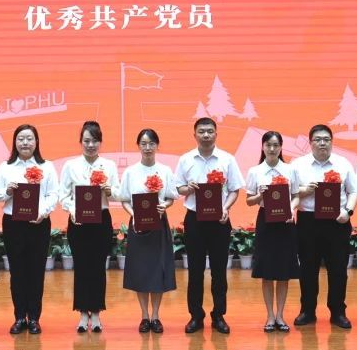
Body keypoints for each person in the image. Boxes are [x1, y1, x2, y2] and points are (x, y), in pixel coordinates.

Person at [173, 117, 244, 334]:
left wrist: (226, 207)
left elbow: (234, 189)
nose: (206, 135)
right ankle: (196, 316)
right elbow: (178, 188)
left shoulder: (227, 159)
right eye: (202, 131)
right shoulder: (186, 159)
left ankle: (218, 315)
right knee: (195, 271)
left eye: (210, 131)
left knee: (219, 271)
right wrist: (188, 189)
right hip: (194, 219)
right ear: (194, 134)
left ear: (216, 134)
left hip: (219, 220)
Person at [289, 124, 357, 329]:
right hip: (308, 221)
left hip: (337, 222)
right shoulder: (298, 165)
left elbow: (354, 190)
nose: (322, 143)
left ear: (331, 142)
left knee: (338, 269)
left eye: (326, 139)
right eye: (318, 139)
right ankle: (307, 310)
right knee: (308, 268)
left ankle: (338, 312)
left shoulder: (343, 163)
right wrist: (305, 190)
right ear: (310, 142)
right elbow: (290, 192)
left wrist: (348, 211)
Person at [0, 124, 59, 334]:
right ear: (15, 142)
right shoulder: (6, 167)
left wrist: (43, 212)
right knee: (17, 271)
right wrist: (7, 191)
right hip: (13, 223)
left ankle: (34, 318)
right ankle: (20, 317)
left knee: (36, 271)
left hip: (38, 223)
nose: (25, 143)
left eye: (29, 138)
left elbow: (53, 194)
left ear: (36, 142)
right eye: (21, 139)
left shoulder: (47, 166)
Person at [59, 121, 119, 332]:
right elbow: (63, 195)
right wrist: (72, 210)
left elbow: (118, 193)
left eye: (94, 141)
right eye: (86, 141)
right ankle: (83, 313)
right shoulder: (71, 166)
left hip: (101, 220)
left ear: (100, 142)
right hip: (78, 222)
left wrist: (109, 190)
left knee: (98, 267)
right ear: (81, 142)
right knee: (82, 267)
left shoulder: (109, 165)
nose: (90, 145)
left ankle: (97, 312)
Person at [118, 128, 177, 333]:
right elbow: (124, 199)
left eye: (151, 143)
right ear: (138, 146)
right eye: (143, 144)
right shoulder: (130, 172)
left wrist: (165, 205)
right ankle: (144, 316)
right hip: (138, 225)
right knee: (141, 270)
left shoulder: (165, 170)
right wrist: (133, 214)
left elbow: (170, 197)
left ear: (157, 146)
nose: (147, 147)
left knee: (158, 270)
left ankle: (156, 316)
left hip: (159, 224)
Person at [244, 131, 300, 332]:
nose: (272, 148)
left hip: (285, 223)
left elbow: (296, 195)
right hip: (265, 222)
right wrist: (260, 196)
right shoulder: (255, 171)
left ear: (281, 147)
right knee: (267, 272)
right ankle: (269, 316)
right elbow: (249, 200)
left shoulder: (290, 170)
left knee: (283, 273)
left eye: (276, 145)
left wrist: (291, 209)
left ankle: (280, 316)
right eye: (268, 145)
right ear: (262, 147)